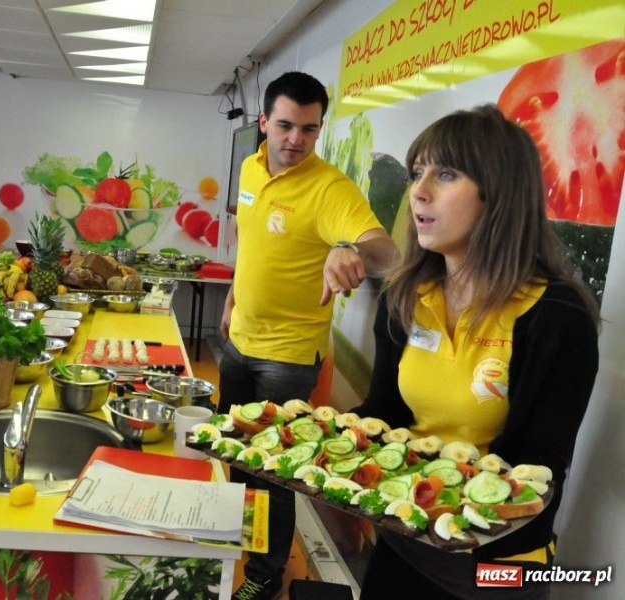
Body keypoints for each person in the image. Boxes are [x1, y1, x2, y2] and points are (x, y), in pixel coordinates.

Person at [354, 105, 600, 600]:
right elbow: (385, 412)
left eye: (445, 174)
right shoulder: (405, 297)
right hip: (405, 534)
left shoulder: (555, 315)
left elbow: (539, 467)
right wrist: (319, 439)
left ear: (499, 193)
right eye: (417, 172)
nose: (419, 191)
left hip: (496, 564)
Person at [218, 71, 400, 600]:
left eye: (309, 129)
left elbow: (386, 252)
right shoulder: (250, 168)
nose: (296, 139)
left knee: (271, 472)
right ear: (263, 122)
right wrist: (232, 297)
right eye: (285, 126)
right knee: (233, 453)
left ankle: (266, 573)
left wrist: (348, 248)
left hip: (288, 358)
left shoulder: (329, 188)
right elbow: (252, 245)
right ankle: (235, 542)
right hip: (238, 343)